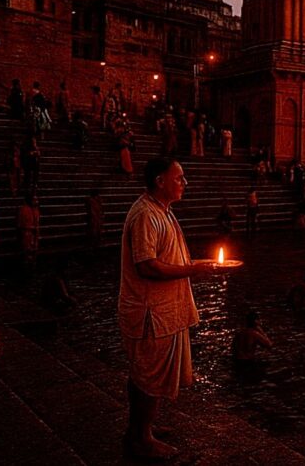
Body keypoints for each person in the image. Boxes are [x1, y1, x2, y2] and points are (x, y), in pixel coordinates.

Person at [118, 157, 217, 459]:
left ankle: (140, 429)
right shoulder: (147, 215)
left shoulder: (161, 211)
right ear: (160, 181)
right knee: (148, 377)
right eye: (179, 178)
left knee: (147, 376)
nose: (184, 183)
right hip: (151, 312)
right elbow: (147, 266)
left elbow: (167, 259)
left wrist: (196, 265)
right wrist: (193, 272)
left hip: (162, 310)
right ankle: (141, 440)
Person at [17, 192, 40, 273]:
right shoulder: (23, 210)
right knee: (27, 252)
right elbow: (20, 224)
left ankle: (32, 268)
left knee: (34, 252)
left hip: (34, 234)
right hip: (27, 234)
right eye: (34, 199)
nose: (36, 201)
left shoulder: (35, 210)